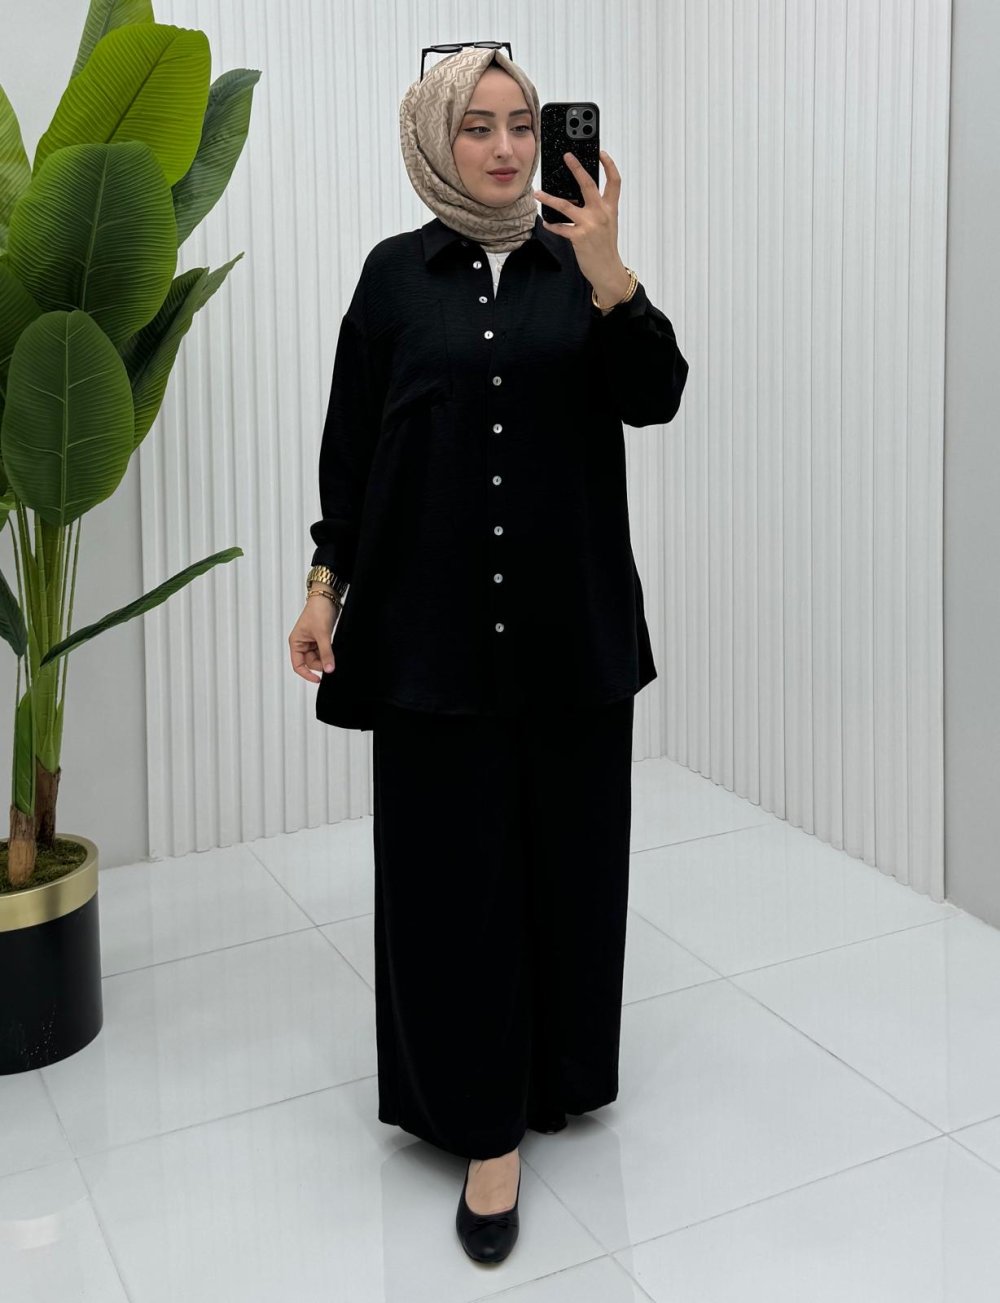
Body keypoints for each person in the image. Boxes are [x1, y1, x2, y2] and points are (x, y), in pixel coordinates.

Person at [287, 44, 688, 1265]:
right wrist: (323, 587)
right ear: (436, 137)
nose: (507, 146)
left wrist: (615, 279)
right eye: (479, 125)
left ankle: (556, 1073)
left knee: (569, 863)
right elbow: (352, 447)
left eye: (522, 122)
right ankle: (483, 1128)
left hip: (570, 629)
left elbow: (655, 395)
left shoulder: (583, 270)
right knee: (449, 883)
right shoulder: (392, 278)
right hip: (428, 639)